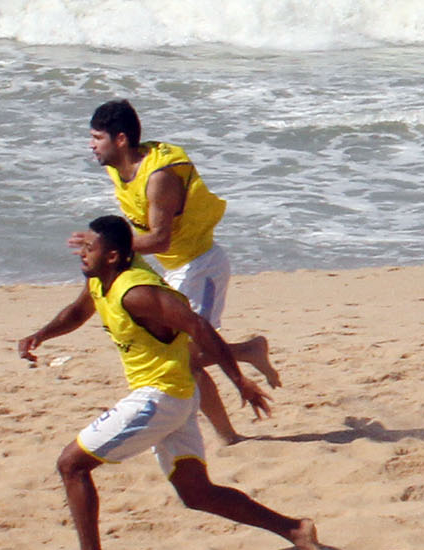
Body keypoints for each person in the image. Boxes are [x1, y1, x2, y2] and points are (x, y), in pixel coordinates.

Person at [17, 216, 340, 550]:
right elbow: (78, 311)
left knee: (71, 465)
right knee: (197, 492)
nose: (83, 253)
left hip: (160, 398)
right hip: (175, 396)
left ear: (113, 256)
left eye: (91, 248)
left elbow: (199, 326)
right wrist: (40, 335)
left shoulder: (136, 292)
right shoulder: (99, 280)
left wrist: (240, 381)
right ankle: (297, 531)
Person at [87, 99, 280, 445]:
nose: (91, 144)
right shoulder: (116, 166)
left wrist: (109, 247)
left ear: (120, 140)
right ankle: (229, 435)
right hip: (174, 267)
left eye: (97, 137)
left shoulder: (159, 176)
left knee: (188, 355)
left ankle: (248, 352)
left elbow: (160, 239)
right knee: (184, 358)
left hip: (201, 265)